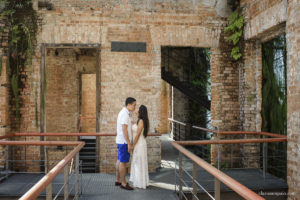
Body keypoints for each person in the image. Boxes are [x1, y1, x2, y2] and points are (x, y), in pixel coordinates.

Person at [115, 97, 136, 190]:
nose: (135, 107)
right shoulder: (125, 114)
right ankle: (123, 183)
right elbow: (124, 129)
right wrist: (128, 143)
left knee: (119, 160)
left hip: (121, 141)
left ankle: (118, 180)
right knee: (123, 163)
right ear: (129, 104)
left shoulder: (124, 113)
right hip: (123, 142)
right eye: (134, 105)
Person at [129, 105, 150, 189]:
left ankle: (141, 182)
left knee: (139, 162)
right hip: (139, 143)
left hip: (139, 144)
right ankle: (138, 181)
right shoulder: (139, 120)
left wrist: (132, 145)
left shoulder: (141, 121)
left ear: (140, 111)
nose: (136, 109)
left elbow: (137, 134)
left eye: (138, 108)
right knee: (137, 162)